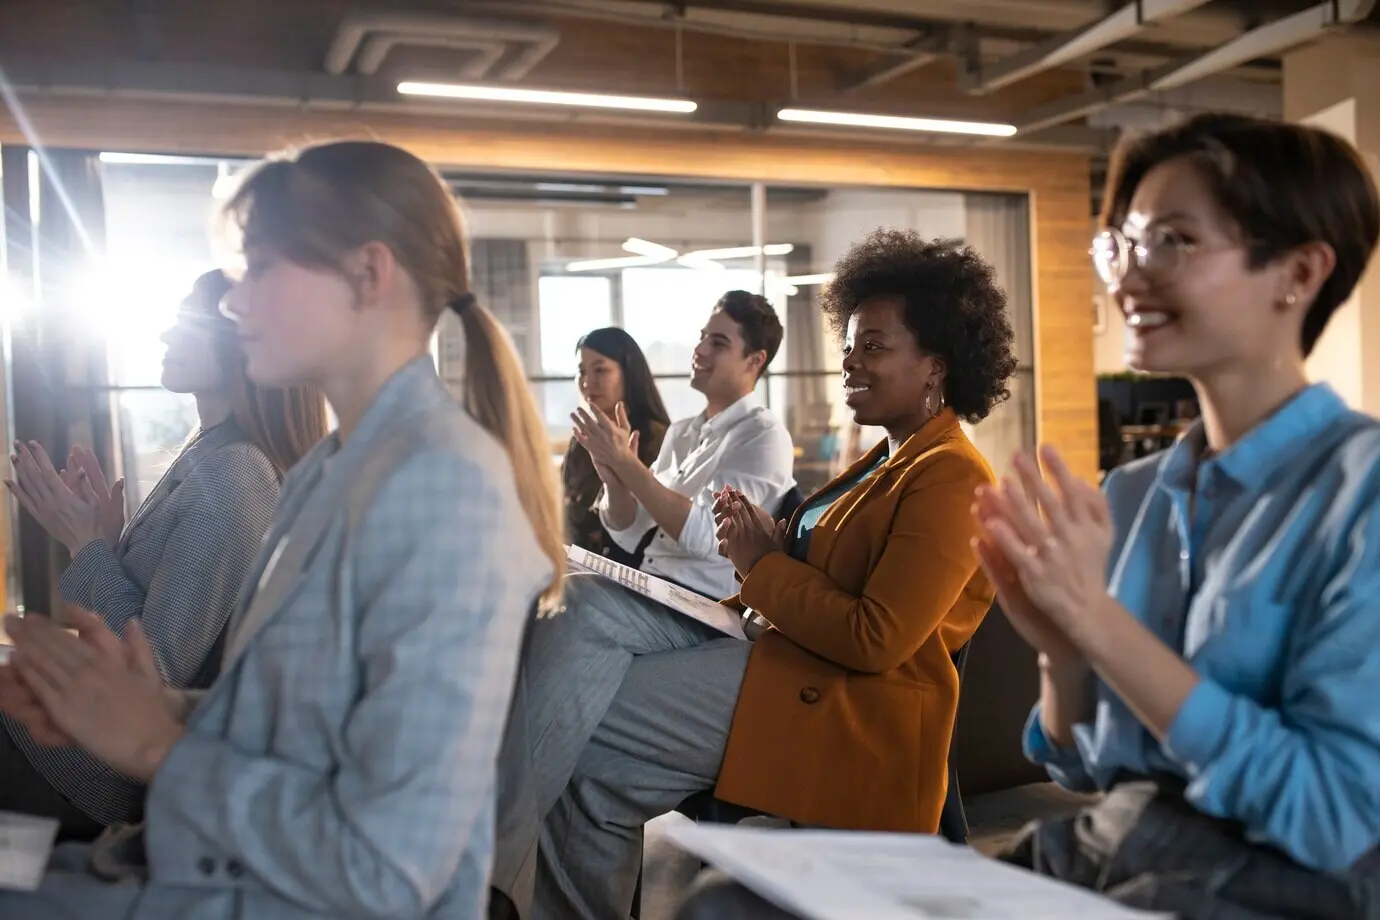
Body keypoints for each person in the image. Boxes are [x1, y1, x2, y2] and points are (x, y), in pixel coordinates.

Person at [686, 112, 1380, 920]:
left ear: (1298, 271)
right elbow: (1082, 767)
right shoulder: (1135, 494)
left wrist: (1096, 626)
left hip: (1283, 878)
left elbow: (1332, 818)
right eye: (1120, 245)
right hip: (1110, 840)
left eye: (1174, 242)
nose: (1127, 277)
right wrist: (1061, 652)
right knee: (727, 903)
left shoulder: (1356, 491)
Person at [0, 139, 564, 920]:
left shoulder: (445, 492)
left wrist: (157, 746)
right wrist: (141, 704)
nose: (236, 304)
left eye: (259, 270)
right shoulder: (331, 470)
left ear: (369, 275)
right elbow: (294, 724)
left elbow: (391, 869)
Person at [493, 230, 1018, 920]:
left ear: (936, 367)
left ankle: (483, 870)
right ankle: (494, 870)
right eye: (849, 346)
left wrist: (764, 564)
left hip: (844, 706)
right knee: (581, 617)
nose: (850, 363)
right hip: (776, 648)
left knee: (588, 737)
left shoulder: (951, 475)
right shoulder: (887, 461)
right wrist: (774, 551)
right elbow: (820, 575)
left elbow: (876, 638)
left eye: (874, 347)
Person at [0, 268, 327, 840]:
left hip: (89, 765)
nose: (165, 337)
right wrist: (108, 541)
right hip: (81, 738)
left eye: (184, 321)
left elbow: (154, 670)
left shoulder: (234, 476)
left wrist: (85, 543)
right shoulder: (210, 453)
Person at [571, 290, 794, 599]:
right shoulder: (681, 433)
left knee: (570, 601)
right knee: (555, 592)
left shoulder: (763, 435)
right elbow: (629, 532)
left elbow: (709, 538)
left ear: (754, 361)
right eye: (702, 337)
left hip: (703, 603)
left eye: (718, 343)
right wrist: (615, 483)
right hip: (654, 585)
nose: (699, 349)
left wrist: (628, 466)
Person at [563, 327, 669, 567]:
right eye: (581, 371)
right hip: (577, 565)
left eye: (600, 369)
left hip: (634, 573)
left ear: (629, 373)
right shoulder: (582, 438)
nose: (588, 382)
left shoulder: (656, 437)